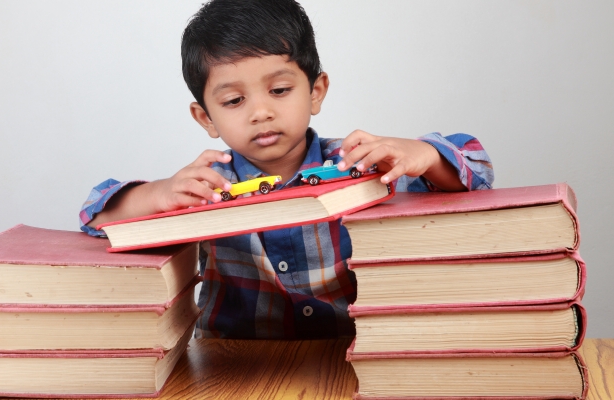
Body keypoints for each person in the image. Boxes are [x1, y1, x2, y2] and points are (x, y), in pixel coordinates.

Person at [80, 0, 494, 339]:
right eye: (233, 101)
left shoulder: (359, 164)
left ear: (315, 91)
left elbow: (476, 169)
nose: (261, 112)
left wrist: (423, 153)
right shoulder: (205, 186)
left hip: (357, 350)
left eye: (279, 90)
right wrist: (157, 194)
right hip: (233, 361)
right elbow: (95, 217)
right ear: (205, 118)